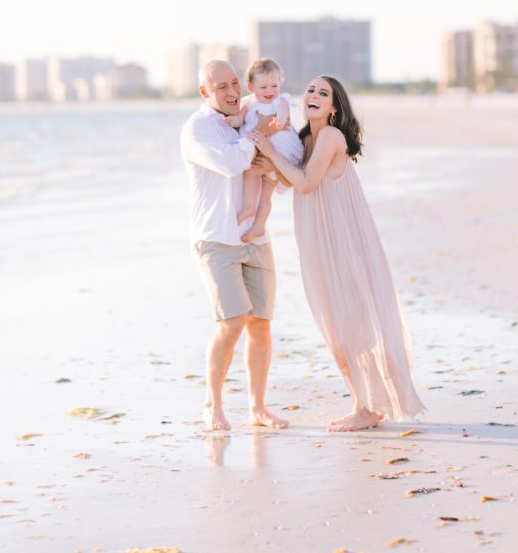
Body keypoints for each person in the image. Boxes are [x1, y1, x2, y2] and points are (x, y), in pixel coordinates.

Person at [248, 75, 425, 432]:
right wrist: (269, 163)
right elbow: (291, 178)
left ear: (334, 107)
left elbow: (307, 182)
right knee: (333, 323)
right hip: (317, 238)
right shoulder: (303, 140)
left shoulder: (330, 136)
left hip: (342, 239)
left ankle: (368, 407)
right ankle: (366, 404)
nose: (313, 94)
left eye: (323, 93)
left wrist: (269, 153)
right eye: (310, 89)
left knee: (351, 322)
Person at [180, 59, 289, 433]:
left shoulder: (245, 119)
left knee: (261, 323)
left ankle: (258, 407)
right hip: (216, 239)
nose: (229, 93)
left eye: (233, 84)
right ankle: (212, 404)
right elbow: (232, 164)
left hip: (255, 237)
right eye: (220, 87)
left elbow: (271, 160)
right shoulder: (197, 130)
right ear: (204, 92)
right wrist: (256, 135)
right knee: (231, 322)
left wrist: (258, 138)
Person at [224, 58, 304, 245]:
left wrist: (280, 119)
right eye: (264, 87)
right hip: (264, 150)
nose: (270, 91)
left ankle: (249, 208)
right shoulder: (248, 103)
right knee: (266, 190)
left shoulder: (281, 99)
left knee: (254, 174)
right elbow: (238, 119)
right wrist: (230, 121)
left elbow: (283, 113)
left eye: (274, 85)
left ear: (279, 83)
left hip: (281, 151)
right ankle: (259, 225)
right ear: (251, 88)